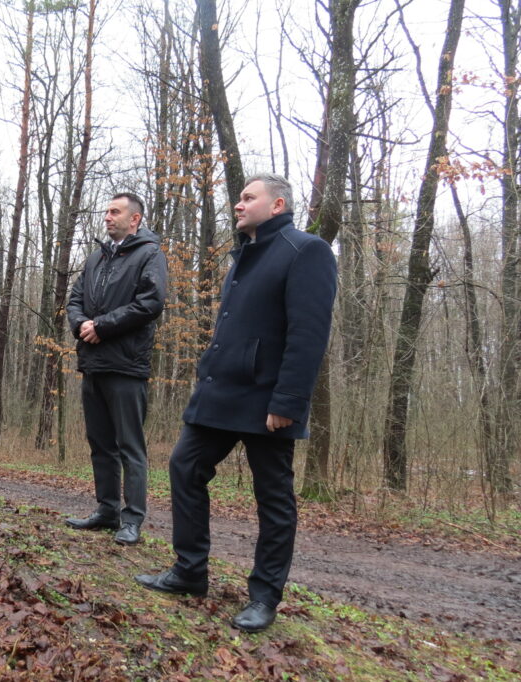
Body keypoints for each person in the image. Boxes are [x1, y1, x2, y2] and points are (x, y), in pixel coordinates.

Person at [135, 173, 337, 633]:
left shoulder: (306, 250)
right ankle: (189, 571)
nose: (238, 204)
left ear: (278, 205)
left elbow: (308, 333)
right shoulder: (243, 254)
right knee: (185, 467)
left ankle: (264, 596)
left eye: (249, 197)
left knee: (273, 497)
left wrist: (289, 399)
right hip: (220, 391)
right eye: (239, 197)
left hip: (268, 400)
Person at [64, 192, 168, 546]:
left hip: (127, 366)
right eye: (106, 211)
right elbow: (75, 298)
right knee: (100, 443)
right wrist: (81, 324)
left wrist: (102, 326)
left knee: (129, 446)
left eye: (115, 212)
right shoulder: (97, 257)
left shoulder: (149, 254)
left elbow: (150, 303)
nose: (107, 217)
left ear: (134, 219)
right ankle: (106, 510)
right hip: (93, 363)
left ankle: (132, 518)